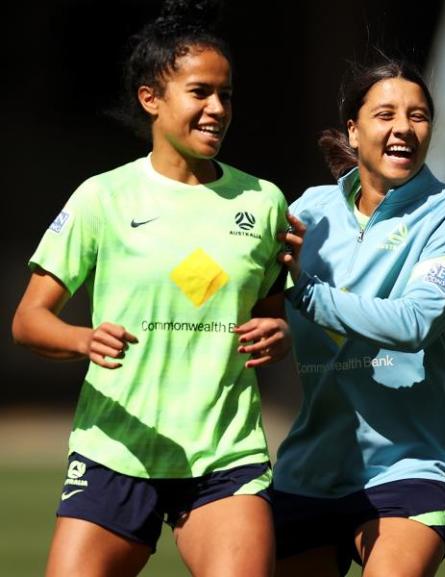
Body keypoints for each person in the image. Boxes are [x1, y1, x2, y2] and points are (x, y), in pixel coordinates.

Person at [10, 1, 290, 575]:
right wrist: (83, 340)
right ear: (151, 99)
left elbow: (271, 312)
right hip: (115, 448)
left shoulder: (263, 202)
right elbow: (29, 320)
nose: (217, 108)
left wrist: (280, 331)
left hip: (224, 454)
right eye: (200, 92)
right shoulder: (102, 197)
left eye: (226, 94)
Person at [271, 59, 445, 577]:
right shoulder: (309, 211)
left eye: (418, 116)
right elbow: (257, 296)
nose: (403, 129)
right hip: (310, 469)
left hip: (413, 465)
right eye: (385, 113)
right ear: (354, 128)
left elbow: (414, 324)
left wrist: (304, 293)